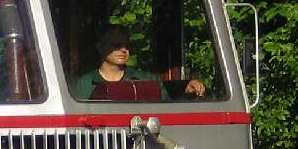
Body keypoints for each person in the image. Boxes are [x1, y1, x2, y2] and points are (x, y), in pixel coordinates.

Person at [73, 27, 207, 99]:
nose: (123, 49)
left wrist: (186, 90)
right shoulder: (83, 84)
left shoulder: (148, 80)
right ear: (100, 47)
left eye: (127, 45)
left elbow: (167, 110)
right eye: (116, 44)